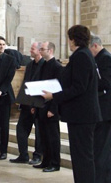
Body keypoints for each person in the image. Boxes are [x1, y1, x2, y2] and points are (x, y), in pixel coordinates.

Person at [43, 25, 101, 183]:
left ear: (73, 39)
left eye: (69, 38)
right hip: (81, 114)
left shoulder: (81, 55)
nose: (68, 41)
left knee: (82, 157)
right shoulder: (82, 54)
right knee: (80, 156)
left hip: (82, 115)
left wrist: (54, 96)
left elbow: (79, 87)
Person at [9, 42, 43, 164]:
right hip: (27, 103)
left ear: (40, 50)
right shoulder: (29, 65)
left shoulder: (44, 65)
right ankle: (23, 155)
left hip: (39, 103)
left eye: (32, 48)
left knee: (39, 131)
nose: (30, 51)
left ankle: (38, 155)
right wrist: (21, 101)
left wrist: (35, 104)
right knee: (21, 129)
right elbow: (25, 83)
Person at [33, 41, 63, 172]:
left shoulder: (57, 67)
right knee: (43, 136)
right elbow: (40, 86)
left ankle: (55, 163)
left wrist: (53, 109)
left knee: (53, 137)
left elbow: (59, 90)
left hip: (51, 107)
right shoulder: (42, 65)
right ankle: (45, 161)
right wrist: (35, 105)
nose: (40, 51)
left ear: (50, 50)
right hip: (41, 106)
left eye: (42, 49)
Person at [89, 35, 111, 183]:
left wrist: (88, 82)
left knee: (103, 148)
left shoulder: (106, 58)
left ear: (95, 46)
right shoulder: (99, 58)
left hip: (106, 110)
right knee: (98, 147)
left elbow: (106, 83)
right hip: (99, 109)